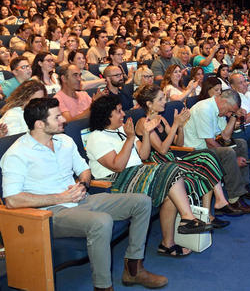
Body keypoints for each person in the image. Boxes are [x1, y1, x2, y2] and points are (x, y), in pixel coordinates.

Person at [0, 98, 168, 289]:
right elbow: (12, 200)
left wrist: (82, 184)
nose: (64, 120)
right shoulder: (17, 153)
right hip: (49, 213)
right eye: (57, 117)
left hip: (81, 200)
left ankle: (133, 270)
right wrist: (60, 197)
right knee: (101, 221)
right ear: (40, 124)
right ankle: (103, 286)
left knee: (142, 202)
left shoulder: (64, 141)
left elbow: (84, 170)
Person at [86, 95, 213, 258]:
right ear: (106, 116)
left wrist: (146, 133)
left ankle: (167, 244)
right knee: (170, 170)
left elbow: (144, 155)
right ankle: (187, 218)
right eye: (118, 111)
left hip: (137, 172)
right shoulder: (96, 137)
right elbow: (117, 166)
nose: (123, 114)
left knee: (170, 191)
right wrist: (130, 138)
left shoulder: (121, 130)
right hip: (116, 181)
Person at [133, 85, 237, 227]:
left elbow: (179, 143)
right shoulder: (143, 122)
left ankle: (209, 212)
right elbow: (162, 150)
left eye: (164, 98)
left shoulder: (161, 119)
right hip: (157, 162)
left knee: (207, 156)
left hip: (170, 157)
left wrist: (180, 127)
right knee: (205, 164)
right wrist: (175, 125)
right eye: (161, 99)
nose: (165, 102)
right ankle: (212, 211)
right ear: (149, 104)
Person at [183, 89, 250, 214]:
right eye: (230, 111)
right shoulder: (205, 109)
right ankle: (235, 199)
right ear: (224, 102)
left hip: (206, 147)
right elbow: (210, 143)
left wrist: (234, 116)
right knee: (228, 153)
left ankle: (243, 189)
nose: (228, 114)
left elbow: (225, 136)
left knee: (241, 144)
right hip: (194, 151)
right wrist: (234, 159)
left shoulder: (220, 109)